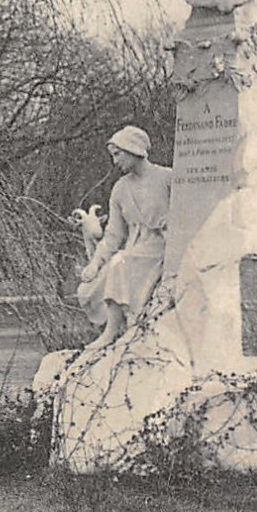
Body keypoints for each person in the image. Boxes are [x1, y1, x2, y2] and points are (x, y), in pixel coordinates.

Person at [77, 126, 172, 349]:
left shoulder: (168, 178)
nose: (115, 161)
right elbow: (113, 236)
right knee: (112, 266)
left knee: (120, 263)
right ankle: (121, 329)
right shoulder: (120, 189)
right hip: (136, 249)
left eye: (118, 154)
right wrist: (95, 263)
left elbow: (187, 213)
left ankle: (112, 331)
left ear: (134, 149)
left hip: (163, 247)